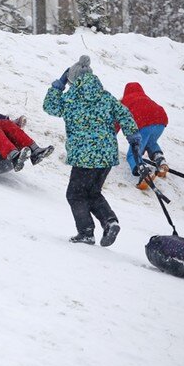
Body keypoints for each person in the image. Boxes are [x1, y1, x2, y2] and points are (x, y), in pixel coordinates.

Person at [43, 55, 141, 247]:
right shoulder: (105, 96)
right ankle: (110, 221)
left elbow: (49, 106)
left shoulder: (71, 98)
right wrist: (134, 138)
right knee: (93, 192)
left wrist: (59, 84)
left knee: (75, 194)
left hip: (84, 156)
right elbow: (124, 114)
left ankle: (86, 232)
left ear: (72, 80)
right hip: (106, 155)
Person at [119, 82, 169, 188]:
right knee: (151, 142)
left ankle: (144, 171)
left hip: (144, 122)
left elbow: (116, 123)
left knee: (133, 154)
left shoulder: (124, 101)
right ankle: (160, 161)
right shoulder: (145, 97)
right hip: (161, 120)